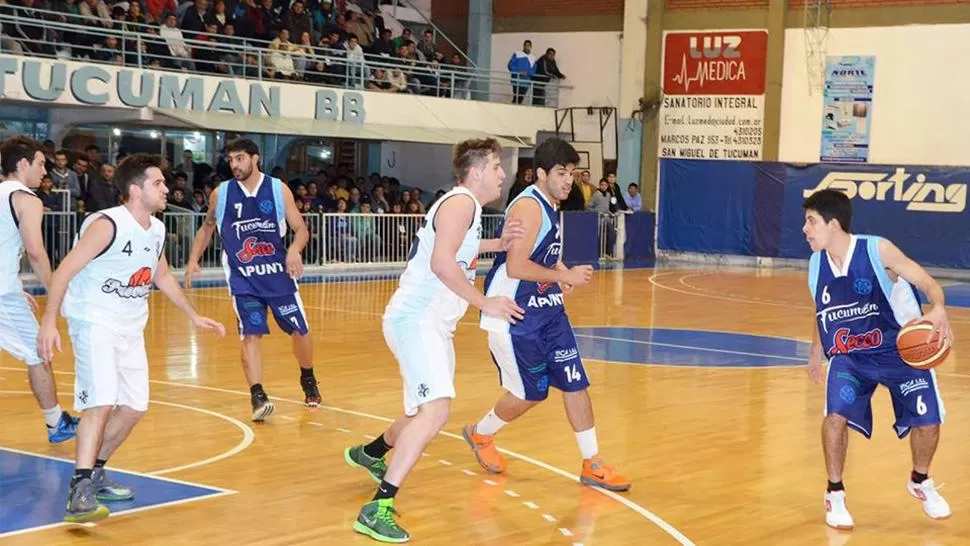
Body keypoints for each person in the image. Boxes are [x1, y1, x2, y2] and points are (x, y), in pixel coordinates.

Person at [342, 138, 525, 543]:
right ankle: (378, 507)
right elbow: (443, 263)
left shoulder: (467, 209)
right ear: (475, 173)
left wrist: (498, 245)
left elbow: (456, 249)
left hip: (434, 324)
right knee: (437, 410)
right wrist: (484, 303)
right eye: (496, 166)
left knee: (420, 410)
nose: (502, 173)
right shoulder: (462, 203)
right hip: (417, 319)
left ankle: (370, 453)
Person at [36, 153, 226, 524]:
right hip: (93, 319)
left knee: (135, 406)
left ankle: (97, 471)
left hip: (129, 325)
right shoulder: (107, 225)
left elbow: (163, 277)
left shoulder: (155, 229)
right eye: (158, 183)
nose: (166, 188)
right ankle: (80, 491)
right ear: (135, 190)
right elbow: (63, 272)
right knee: (101, 401)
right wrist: (48, 321)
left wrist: (192, 315)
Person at [460, 137, 632, 492]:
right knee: (532, 393)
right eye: (561, 172)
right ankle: (480, 433)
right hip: (515, 312)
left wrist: (559, 267)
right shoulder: (528, 207)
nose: (569, 180)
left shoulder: (550, 204)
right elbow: (518, 266)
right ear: (540, 173)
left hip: (549, 311)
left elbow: (539, 254)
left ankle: (593, 463)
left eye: (572, 173)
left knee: (575, 381)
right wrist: (564, 276)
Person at [801, 189, 951, 530]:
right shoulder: (815, 262)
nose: (805, 229)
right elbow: (821, 309)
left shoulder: (877, 250)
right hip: (851, 357)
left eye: (811, 221)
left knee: (928, 422)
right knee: (835, 416)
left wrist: (939, 307)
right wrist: (815, 352)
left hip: (899, 351)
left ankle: (920, 480)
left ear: (833, 224)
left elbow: (927, 282)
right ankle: (834, 493)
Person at [184, 138, 319, 421]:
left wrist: (294, 249)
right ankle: (257, 394)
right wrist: (193, 260)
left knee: (301, 332)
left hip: (279, 275)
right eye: (231, 159)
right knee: (251, 333)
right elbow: (207, 228)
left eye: (240, 158)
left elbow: (300, 228)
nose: (234, 164)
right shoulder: (220, 195)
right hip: (243, 278)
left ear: (255, 159)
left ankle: (307, 376)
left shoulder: (277, 189)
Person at [0, 135, 79, 443]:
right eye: (41, 163)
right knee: (38, 354)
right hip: (2, 293)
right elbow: (36, 252)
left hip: (6, 290)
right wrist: (55, 292)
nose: (45, 171)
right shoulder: (28, 200)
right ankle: (56, 422)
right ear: (23, 164)